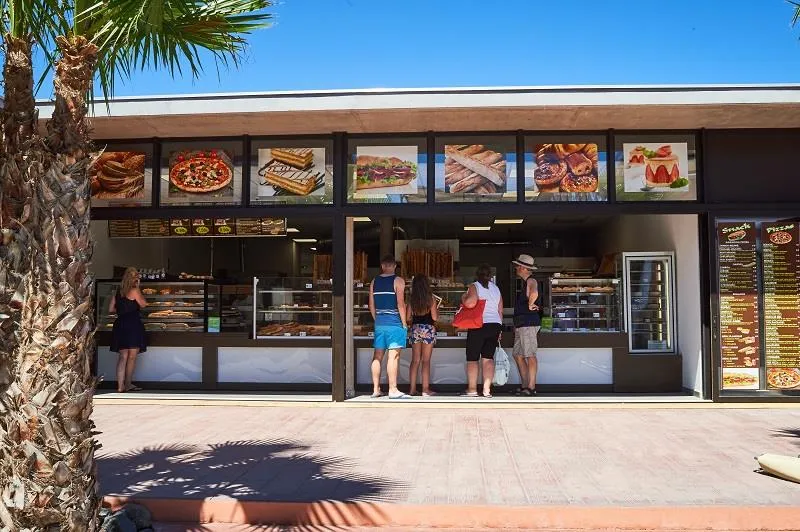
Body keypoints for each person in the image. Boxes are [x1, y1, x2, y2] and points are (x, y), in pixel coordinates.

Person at [369, 254, 410, 399]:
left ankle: (376, 389)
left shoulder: (374, 281)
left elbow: (371, 305)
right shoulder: (398, 280)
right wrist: (404, 323)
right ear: (394, 266)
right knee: (394, 356)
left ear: (382, 266)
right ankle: (393, 390)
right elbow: (400, 303)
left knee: (377, 356)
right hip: (394, 323)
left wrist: (378, 319)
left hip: (380, 323)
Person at [461, 263, 503, 398]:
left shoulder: (475, 286)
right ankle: (486, 390)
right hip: (494, 325)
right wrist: (500, 328)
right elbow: (500, 310)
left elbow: (470, 303)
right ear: (490, 276)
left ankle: (472, 390)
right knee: (488, 358)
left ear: (477, 275)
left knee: (473, 358)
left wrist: (463, 297)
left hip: (479, 324)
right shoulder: (496, 289)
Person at [109, 267, 148, 393]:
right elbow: (143, 304)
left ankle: (120, 386)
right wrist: (139, 288)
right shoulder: (135, 290)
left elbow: (111, 309)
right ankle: (128, 384)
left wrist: (123, 310)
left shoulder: (118, 291)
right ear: (134, 278)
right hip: (133, 325)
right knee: (131, 357)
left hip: (120, 324)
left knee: (122, 356)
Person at [511, 254, 541, 396]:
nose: (516, 268)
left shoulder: (531, 280)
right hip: (521, 324)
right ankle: (525, 385)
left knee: (530, 355)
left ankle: (531, 386)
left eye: (518, 266)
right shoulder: (525, 282)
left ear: (523, 268)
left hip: (528, 323)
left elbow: (534, 292)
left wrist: (530, 304)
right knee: (518, 355)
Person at [406, 274, 439, 397]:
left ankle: (412, 389)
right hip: (428, 329)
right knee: (426, 361)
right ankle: (425, 390)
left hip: (415, 329)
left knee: (415, 360)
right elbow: (435, 317)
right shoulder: (431, 299)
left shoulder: (412, 299)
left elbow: (407, 317)